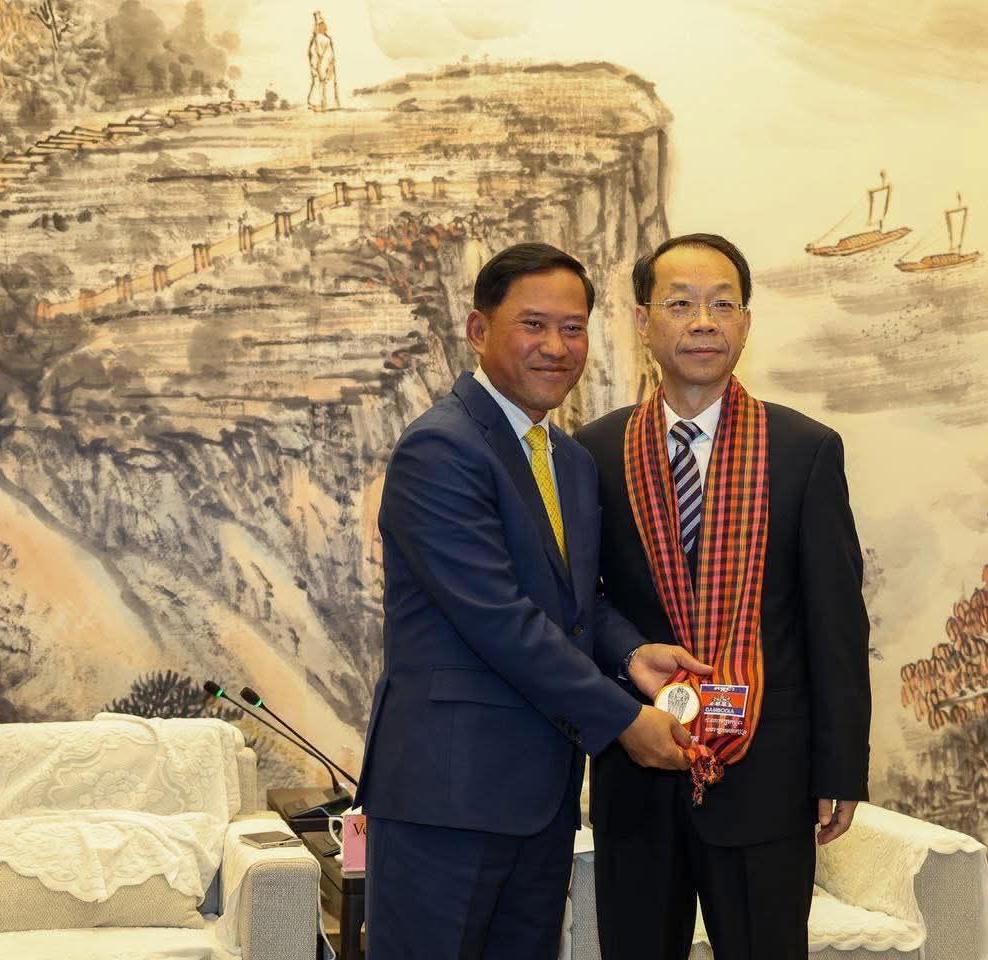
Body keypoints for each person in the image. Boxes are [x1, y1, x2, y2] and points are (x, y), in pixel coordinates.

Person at [354, 242, 709, 960]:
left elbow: (576, 604)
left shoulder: (568, 460)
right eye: (534, 324)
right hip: (446, 798)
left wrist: (631, 654)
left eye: (573, 328)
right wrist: (624, 721)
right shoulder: (441, 449)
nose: (556, 346)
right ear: (478, 330)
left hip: (541, 800)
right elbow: (499, 619)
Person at [575, 233, 872, 960]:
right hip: (638, 762)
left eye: (722, 305)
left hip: (767, 772)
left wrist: (840, 769)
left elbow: (835, 622)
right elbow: (580, 602)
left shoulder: (803, 449)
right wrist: (629, 655)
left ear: (746, 322)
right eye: (680, 304)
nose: (703, 322)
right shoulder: (593, 452)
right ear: (643, 322)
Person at [307, 11, 340, 111]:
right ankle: (320, 104)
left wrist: (317, 67)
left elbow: (319, 55)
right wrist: (321, 68)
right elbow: (323, 55)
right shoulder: (322, 39)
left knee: (321, 84)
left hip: (322, 66)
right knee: (321, 83)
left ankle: (322, 104)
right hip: (323, 66)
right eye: (320, 25)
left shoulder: (320, 39)